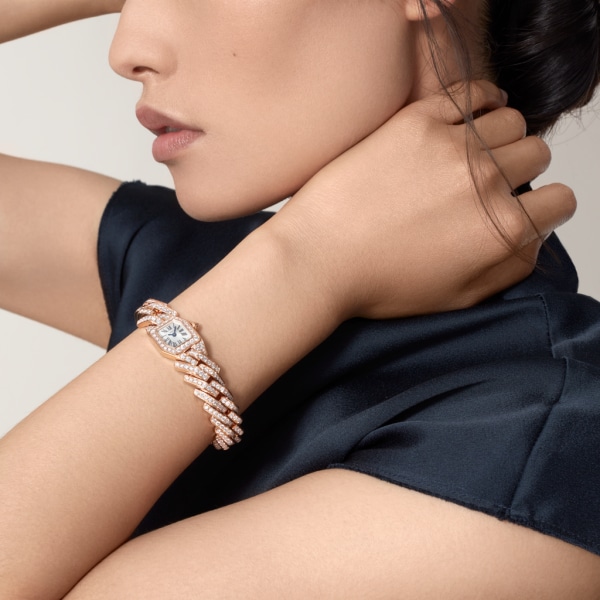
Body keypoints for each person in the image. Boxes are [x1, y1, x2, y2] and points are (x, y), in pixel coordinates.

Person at [0, 0, 599, 598]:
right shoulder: (220, 271)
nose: (126, 51)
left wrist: (308, 263)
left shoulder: (536, 453)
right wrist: (305, 265)